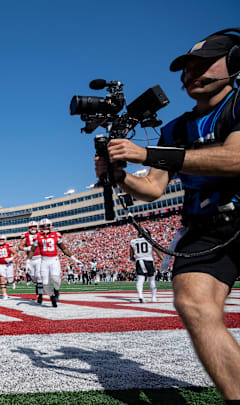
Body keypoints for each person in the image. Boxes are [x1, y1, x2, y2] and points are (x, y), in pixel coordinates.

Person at [94, 29, 240, 401]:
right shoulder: (176, 127)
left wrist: (147, 155)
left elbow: (234, 158)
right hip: (205, 225)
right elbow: (153, 189)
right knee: (192, 302)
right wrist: (120, 176)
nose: (191, 74)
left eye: (202, 66)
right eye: (187, 68)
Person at [29, 218, 82, 307]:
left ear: (50, 226)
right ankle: (51, 297)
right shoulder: (37, 237)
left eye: (46, 226)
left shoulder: (56, 235)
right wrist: (28, 261)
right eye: (43, 226)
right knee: (45, 283)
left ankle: (56, 291)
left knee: (55, 278)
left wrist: (73, 258)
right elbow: (32, 250)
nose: (45, 228)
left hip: (54, 260)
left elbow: (63, 248)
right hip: (44, 261)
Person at [20, 221, 43, 303]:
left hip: (39, 257)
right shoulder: (25, 236)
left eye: (34, 226)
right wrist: (27, 248)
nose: (33, 228)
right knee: (33, 277)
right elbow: (20, 247)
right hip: (30, 259)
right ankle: (38, 287)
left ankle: (40, 295)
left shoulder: (41, 234)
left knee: (38, 275)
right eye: (31, 227)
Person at [129, 236, 158, 303]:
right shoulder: (150, 239)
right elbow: (156, 249)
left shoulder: (134, 241)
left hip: (139, 261)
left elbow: (131, 254)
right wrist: (161, 257)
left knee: (140, 279)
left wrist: (132, 258)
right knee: (152, 280)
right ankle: (153, 297)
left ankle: (140, 296)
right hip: (149, 261)